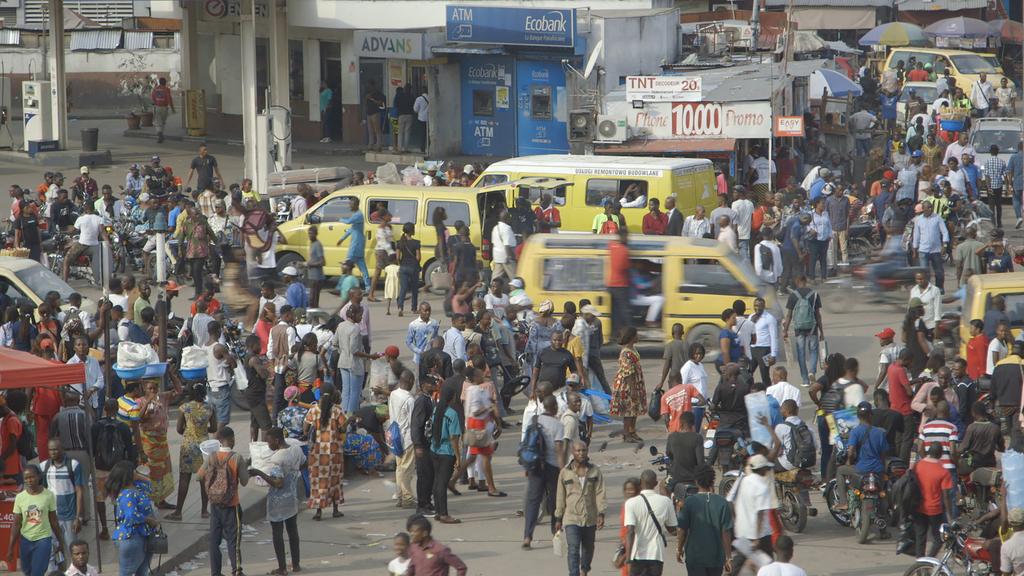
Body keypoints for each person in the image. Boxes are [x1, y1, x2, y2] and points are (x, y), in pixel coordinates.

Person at [248, 428, 304, 576]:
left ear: (277, 440)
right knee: (293, 531)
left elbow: (278, 483)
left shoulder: (277, 458)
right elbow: (304, 463)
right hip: (292, 497)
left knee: (277, 534)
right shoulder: (296, 449)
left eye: (269, 440)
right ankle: (296, 564)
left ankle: (282, 568)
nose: (268, 444)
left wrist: (258, 472)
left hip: (278, 501)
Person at [199, 426, 249, 576]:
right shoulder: (237, 458)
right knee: (233, 541)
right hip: (232, 505)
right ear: (231, 439)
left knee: (214, 541)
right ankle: (237, 571)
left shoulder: (211, 457)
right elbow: (245, 481)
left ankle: (216, 572)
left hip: (215, 505)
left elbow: (198, 476)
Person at [554, 441, 606, 576]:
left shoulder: (595, 471)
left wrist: (601, 513)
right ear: (573, 452)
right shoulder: (565, 473)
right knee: (573, 549)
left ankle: (584, 569)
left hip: (590, 517)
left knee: (588, 548)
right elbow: (560, 496)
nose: (581, 453)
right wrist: (558, 517)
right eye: (578, 451)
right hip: (571, 517)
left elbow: (600, 492)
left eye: (584, 450)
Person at [168, 384, 216, 521]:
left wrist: (189, 433)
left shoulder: (185, 408)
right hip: (204, 446)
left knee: (184, 478)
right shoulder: (210, 408)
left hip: (188, 445)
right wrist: (203, 429)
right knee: (204, 478)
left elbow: (178, 429)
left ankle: (178, 512)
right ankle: (204, 511)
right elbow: (214, 427)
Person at [677, 463, 732, 575]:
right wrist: (728, 557)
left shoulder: (689, 502)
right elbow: (726, 532)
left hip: (695, 558)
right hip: (716, 558)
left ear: (696, 481)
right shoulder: (722, 503)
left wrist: (679, 549)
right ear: (712, 481)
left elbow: (682, 530)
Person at [834, 403, 889, 512]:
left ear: (858, 416)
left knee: (840, 471)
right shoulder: (880, 432)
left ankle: (844, 502)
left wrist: (849, 462)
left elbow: (850, 452)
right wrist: (882, 468)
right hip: (877, 469)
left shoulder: (855, 432)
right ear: (870, 415)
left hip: (861, 469)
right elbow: (884, 454)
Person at [105, 461, 157, 576]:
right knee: (127, 572)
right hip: (132, 537)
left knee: (142, 572)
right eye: (133, 471)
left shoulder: (136, 488)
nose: (136, 472)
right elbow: (131, 515)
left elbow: (150, 487)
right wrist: (148, 520)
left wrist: (141, 477)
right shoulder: (127, 494)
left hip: (143, 536)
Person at [302, 382, 345, 520]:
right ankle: (335, 510)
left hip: (317, 452)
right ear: (333, 395)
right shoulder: (337, 411)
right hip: (334, 451)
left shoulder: (313, 410)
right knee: (334, 480)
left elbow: (305, 429)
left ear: (319, 394)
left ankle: (319, 511)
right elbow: (343, 428)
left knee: (318, 481)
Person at [624, 469, 677, 576]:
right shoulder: (666, 501)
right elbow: (672, 529)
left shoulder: (631, 503)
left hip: (637, 554)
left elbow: (630, 532)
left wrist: (628, 559)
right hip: (656, 554)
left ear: (640, 482)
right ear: (656, 484)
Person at [40, 438, 84, 564]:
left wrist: (78, 517)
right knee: (55, 549)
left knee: (72, 549)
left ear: (62, 449)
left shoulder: (73, 465)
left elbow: (80, 491)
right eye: (50, 450)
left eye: (55, 449)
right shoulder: (44, 466)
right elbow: (43, 490)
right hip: (52, 516)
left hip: (69, 516)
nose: (53, 452)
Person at [137, 380, 176, 510]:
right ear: (145, 389)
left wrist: (171, 374)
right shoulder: (140, 401)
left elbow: (179, 391)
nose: (153, 391)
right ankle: (148, 500)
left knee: (163, 470)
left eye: (155, 388)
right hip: (149, 442)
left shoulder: (162, 397)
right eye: (150, 389)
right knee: (151, 471)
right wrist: (148, 402)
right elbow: (139, 418)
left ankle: (161, 500)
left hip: (162, 441)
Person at [913, 441, 955, 557]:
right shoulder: (943, 471)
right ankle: (930, 559)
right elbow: (946, 496)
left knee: (920, 537)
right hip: (935, 509)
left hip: (918, 507)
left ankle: (920, 566)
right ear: (941, 454)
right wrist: (950, 516)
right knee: (939, 538)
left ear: (929, 452)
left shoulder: (918, 465)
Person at [430, 383, 463, 525]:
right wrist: (458, 457)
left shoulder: (436, 410)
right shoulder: (452, 413)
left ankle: (438, 511)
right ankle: (444, 514)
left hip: (434, 449)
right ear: (453, 397)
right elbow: (454, 438)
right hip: (447, 452)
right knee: (442, 483)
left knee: (437, 481)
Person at [783, 276, 824, 387]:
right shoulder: (814, 294)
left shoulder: (793, 295)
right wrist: (821, 332)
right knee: (813, 351)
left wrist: (785, 330)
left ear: (797, 282)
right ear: (806, 281)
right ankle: (812, 371)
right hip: (812, 327)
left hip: (799, 329)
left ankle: (805, 380)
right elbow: (818, 315)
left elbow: (789, 315)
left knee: (801, 353)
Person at [611, 327, 646, 444]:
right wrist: (632, 389)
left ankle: (632, 431)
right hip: (627, 385)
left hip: (635, 382)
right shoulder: (626, 353)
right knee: (628, 411)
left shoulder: (632, 349)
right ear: (631, 337)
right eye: (636, 335)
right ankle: (626, 434)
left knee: (634, 409)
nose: (638, 337)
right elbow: (628, 372)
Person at [389, 370, 417, 509]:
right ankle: (407, 498)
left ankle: (400, 495)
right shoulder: (410, 400)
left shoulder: (394, 394)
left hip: (395, 436)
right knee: (406, 470)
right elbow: (413, 422)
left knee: (399, 468)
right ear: (411, 381)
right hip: (407, 438)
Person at [336, 197, 370, 285]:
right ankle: (368, 287)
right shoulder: (356, 214)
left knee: (346, 265)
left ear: (356, 205)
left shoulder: (358, 215)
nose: (349, 206)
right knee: (362, 267)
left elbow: (348, 222)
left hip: (356, 244)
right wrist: (342, 239)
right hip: (358, 243)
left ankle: (340, 286)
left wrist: (339, 219)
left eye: (351, 204)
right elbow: (352, 229)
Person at [491, 210, 517, 282]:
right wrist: (510, 256)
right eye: (509, 217)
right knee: (514, 278)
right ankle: (516, 292)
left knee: (495, 277)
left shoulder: (495, 228)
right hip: (507, 257)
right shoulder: (507, 228)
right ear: (506, 219)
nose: (510, 219)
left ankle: (491, 292)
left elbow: (493, 243)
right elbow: (506, 245)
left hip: (498, 257)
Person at [150, 77, 175, 143]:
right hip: (164, 108)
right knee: (163, 122)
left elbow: (152, 99)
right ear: (165, 82)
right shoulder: (167, 89)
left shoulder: (155, 89)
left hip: (157, 107)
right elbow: (169, 99)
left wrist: (154, 105)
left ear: (159, 82)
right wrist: (172, 108)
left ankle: (160, 133)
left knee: (158, 123)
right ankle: (161, 134)